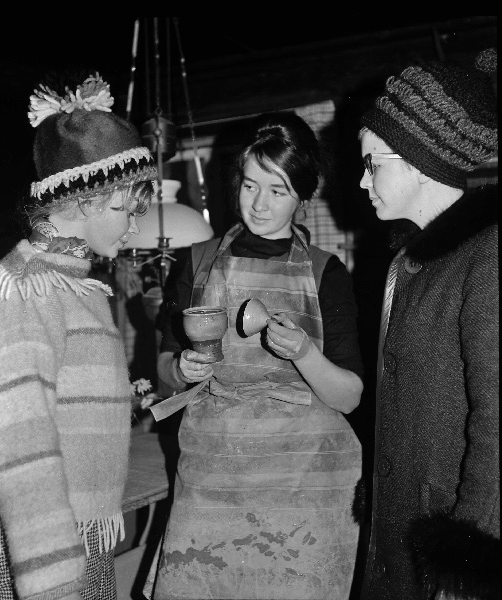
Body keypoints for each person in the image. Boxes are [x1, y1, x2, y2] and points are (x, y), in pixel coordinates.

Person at [146, 111, 364, 600]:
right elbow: (163, 367)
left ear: (303, 196)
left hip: (304, 480)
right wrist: (179, 368)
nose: (259, 204)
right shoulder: (198, 261)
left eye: (278, 190)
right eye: (249, 186)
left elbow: (349, 397)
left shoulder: (326, 273)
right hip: (214, 469)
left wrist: (304, 353)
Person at [0, 73, 157, 599]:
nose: (133, 226)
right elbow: (18, 448)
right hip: (40, 546)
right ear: (88, 200)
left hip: (75, 529)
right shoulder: (29, 291)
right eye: (124, 209)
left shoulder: (74, 286)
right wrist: (52, 581)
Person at [358, 48, 499, 600]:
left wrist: (466, 570)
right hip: (401, 532)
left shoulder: (487, 257)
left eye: (372, 163)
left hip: (449, 549)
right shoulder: (407, 263)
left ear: (419, 162)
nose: (362, 181)